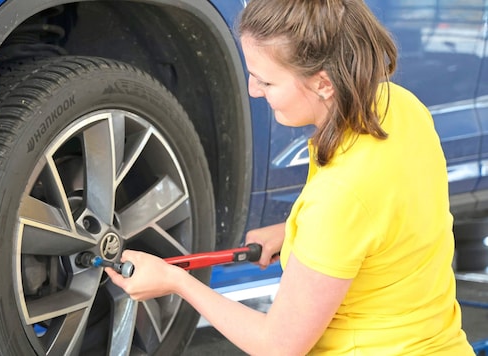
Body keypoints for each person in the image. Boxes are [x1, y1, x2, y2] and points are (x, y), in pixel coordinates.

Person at [106, 0, 475, 354]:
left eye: (265, 82)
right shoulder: (400, 106)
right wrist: (295, 232)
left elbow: (277, 346)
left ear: (323, 83)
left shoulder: (339, 198)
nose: (254, 90)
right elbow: (387, 217)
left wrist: (175, 282)